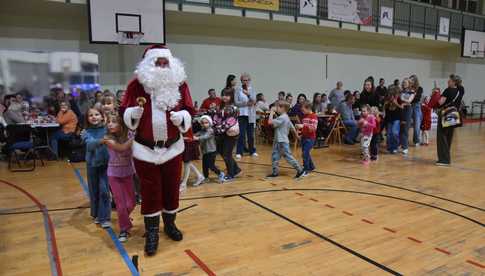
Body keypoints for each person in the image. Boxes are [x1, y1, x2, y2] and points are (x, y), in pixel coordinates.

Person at [121, 45, 195, 256]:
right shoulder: (136, 85)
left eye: (165, 63)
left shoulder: (180, 84)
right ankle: (152, 231)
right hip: (145, 149)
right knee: (150, 191)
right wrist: (132, 113)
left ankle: (170, 225)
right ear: (149, 65)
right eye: (158, 62)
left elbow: (189, 109)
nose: (162, 66)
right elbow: (123, 110)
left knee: (171, 188)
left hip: (172, 148)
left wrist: (183, 117)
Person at [103, 113, 136, 242]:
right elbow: (121, 148)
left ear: (122, 124)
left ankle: (124, 218)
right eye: (108, 122)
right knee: (121, 204)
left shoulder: (129, 135)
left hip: (128, 172)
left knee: (131, 203)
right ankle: (124, 229)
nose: (110, 124)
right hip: (113, 174)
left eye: (114, 121)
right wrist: (134, 138)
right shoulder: (107, 138)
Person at [82, 107, 111, 229]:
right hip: (92, 165)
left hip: (106, 165)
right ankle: (97, 214)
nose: (94, 117)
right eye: (91, 115)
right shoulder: (85, 132)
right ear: (87, 119)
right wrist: (102, 140)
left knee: (104, 191)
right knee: (94, 191)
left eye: (97, 114)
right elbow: (90, 145)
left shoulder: (108, 129)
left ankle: (104, 217)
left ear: (102, 116)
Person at [266, 100, 306, 179]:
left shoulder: (282, 118)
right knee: (275, 156)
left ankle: (300, 171)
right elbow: (292, 128)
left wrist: (271, 112)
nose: (275, 108)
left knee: (288, 157)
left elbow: (270, 122)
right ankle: (275, 173)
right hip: (279, 141)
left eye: (277, 107)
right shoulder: (286, 117)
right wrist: (297, 136)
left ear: (283, 108)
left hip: (281, 141)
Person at [213, 88, 241, 181]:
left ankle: (230, 174)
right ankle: (236, 169)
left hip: (230, 134)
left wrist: (217, 129)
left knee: (226, 154)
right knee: (222, 151)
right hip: (222, 133)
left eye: (227, 95)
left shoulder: (234, 108)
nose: (224, 97)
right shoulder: (220, 106)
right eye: (223, 95)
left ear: (231, 97)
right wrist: (213, 124)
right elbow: (216, 118)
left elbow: (230, 122)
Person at [436, 74, 462, 166]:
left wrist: (436, 95)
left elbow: (440, 102)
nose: (448, 81)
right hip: (454, 114)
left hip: (446, 113)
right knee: (449, 136)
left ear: (454, 82)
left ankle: (444, 160)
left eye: (450, 80)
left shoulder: (447, 90)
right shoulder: (461, 90)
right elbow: (460, 86)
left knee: (442, 136)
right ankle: (446, 157)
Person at [194, 115, 225, 183]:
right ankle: (206, 177)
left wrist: (197, 138)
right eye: (202, 123)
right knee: (204, 166)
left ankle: (220, 174)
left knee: (210, 165)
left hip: (211, 151)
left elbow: (205, 137)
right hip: (205, 151)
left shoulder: (210, 131)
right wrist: (192, 136)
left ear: (209, 123)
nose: (204, 124)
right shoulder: (202, 131)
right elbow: (196, 134)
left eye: (206, 123)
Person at [235, 73, 257, 159]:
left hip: (250, 115)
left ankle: (252, 151)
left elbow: (254, 101)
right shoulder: (238, 90)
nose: (246, 82)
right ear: (241, 81)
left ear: (249, 81)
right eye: (244, 80)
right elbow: (236, 102)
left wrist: (248, 94)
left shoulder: (252, 90)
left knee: (250, 135)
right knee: (241, 134)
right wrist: (246, 103)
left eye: (247, 80)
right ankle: (239, 152)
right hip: (241, 114)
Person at [296, 101, 318, 173]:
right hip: (304, 138)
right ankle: (311, 166)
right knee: (306, 152)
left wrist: (303, 126)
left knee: (305, 153)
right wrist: (301, 134)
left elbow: (313, 128)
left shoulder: (313, 116)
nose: (302, 112)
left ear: (308, 108)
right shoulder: (304, 117)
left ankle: (306, 169)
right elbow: (304, 129)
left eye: (303, 110)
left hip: (310, 139)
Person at [384, 87, 403, 154]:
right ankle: (389, 148)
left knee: (394, 133)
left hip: (396, 120)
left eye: (392, 96)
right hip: (389, 120)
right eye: (389, 96)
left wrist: (402, 120)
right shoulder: (387, 104)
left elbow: (401, 109)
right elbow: (386, 114)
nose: (391, 97)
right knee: (389, 134)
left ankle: (395, 147)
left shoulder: (399, 101)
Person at [399, 78, 415, 155]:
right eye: (403, 82)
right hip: (401, 110)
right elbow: (400, 100)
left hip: (407, 111)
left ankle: (405, 147)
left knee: (405, 129)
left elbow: (409, 101)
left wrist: (404, 102)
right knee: (401, 128)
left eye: (406, 82)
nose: (404, 83)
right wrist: (404, 102)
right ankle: (401, 144)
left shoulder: (412, 91)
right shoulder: (401, 91)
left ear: (409, 83)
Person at [409, 75, 423, 146]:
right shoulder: (408, 88)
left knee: (417, 124)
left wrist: (411, 96)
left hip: (416, 106)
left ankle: (416, 140)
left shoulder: (419, 88)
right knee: (406, 124)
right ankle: (403, 140)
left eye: (412, 80)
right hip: (408, 106)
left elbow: (417, 98)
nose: (410, 81)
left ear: (415, 81)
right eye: (410, 80)